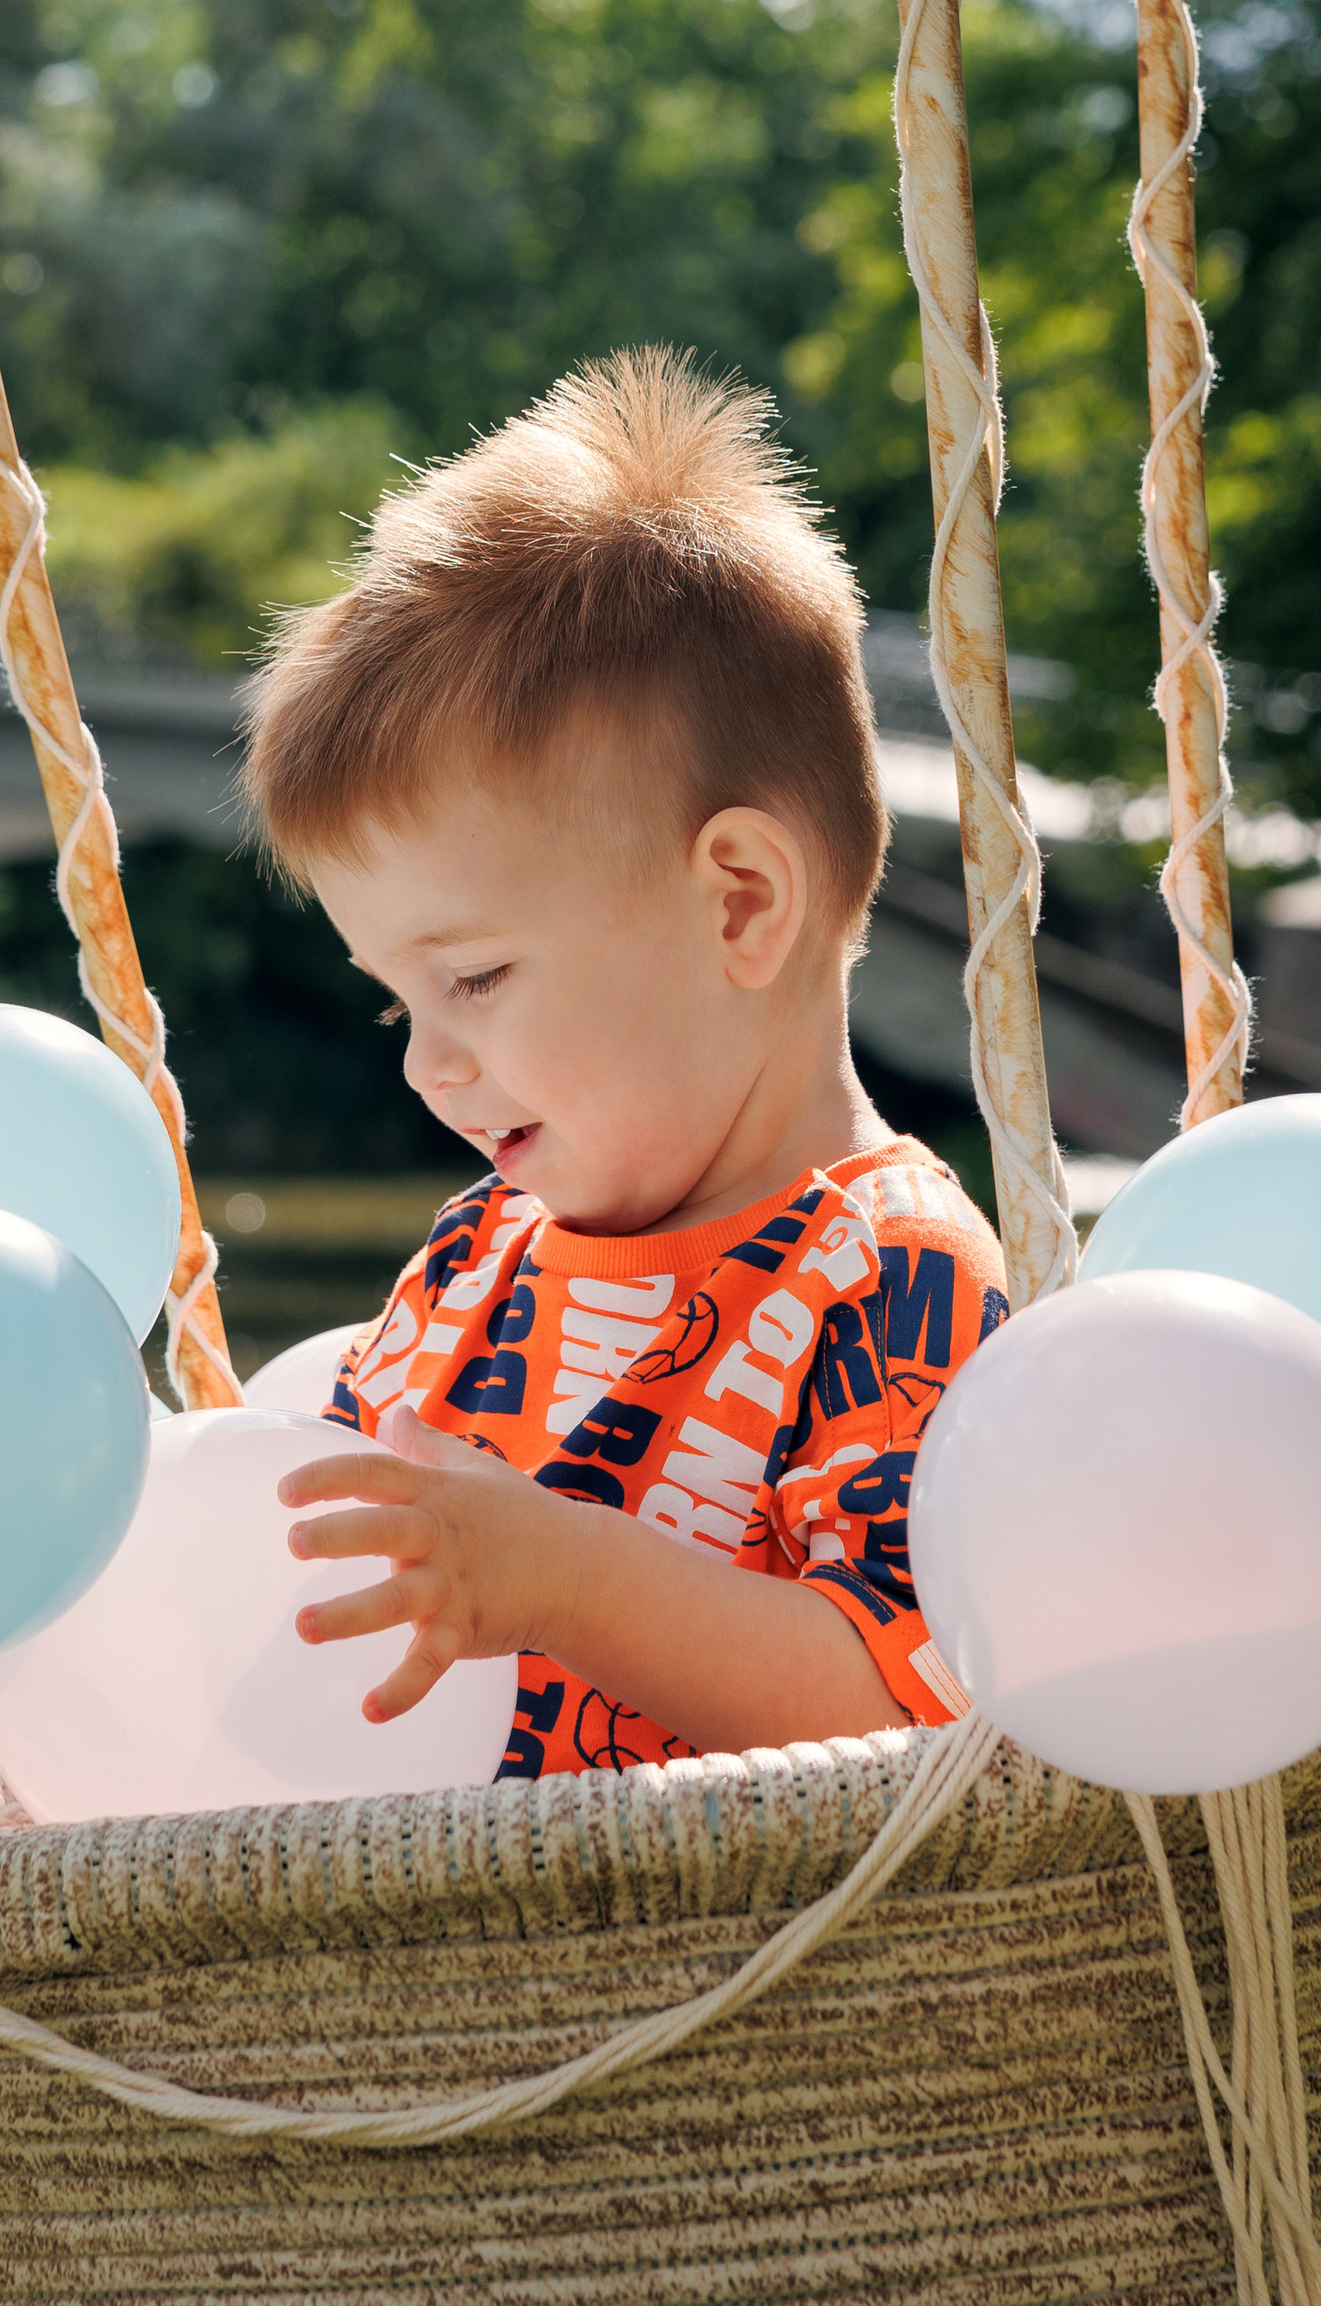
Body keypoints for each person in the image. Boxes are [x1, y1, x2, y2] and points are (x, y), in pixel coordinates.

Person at [240, 345, 1009, 1779]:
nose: (426, 1068)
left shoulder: (891, 1279)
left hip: (747, 1926)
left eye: (473, 979)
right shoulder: (472, 1264)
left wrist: (566, 1582)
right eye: (398, 1006)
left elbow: (922, 1718)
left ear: (740, 905)